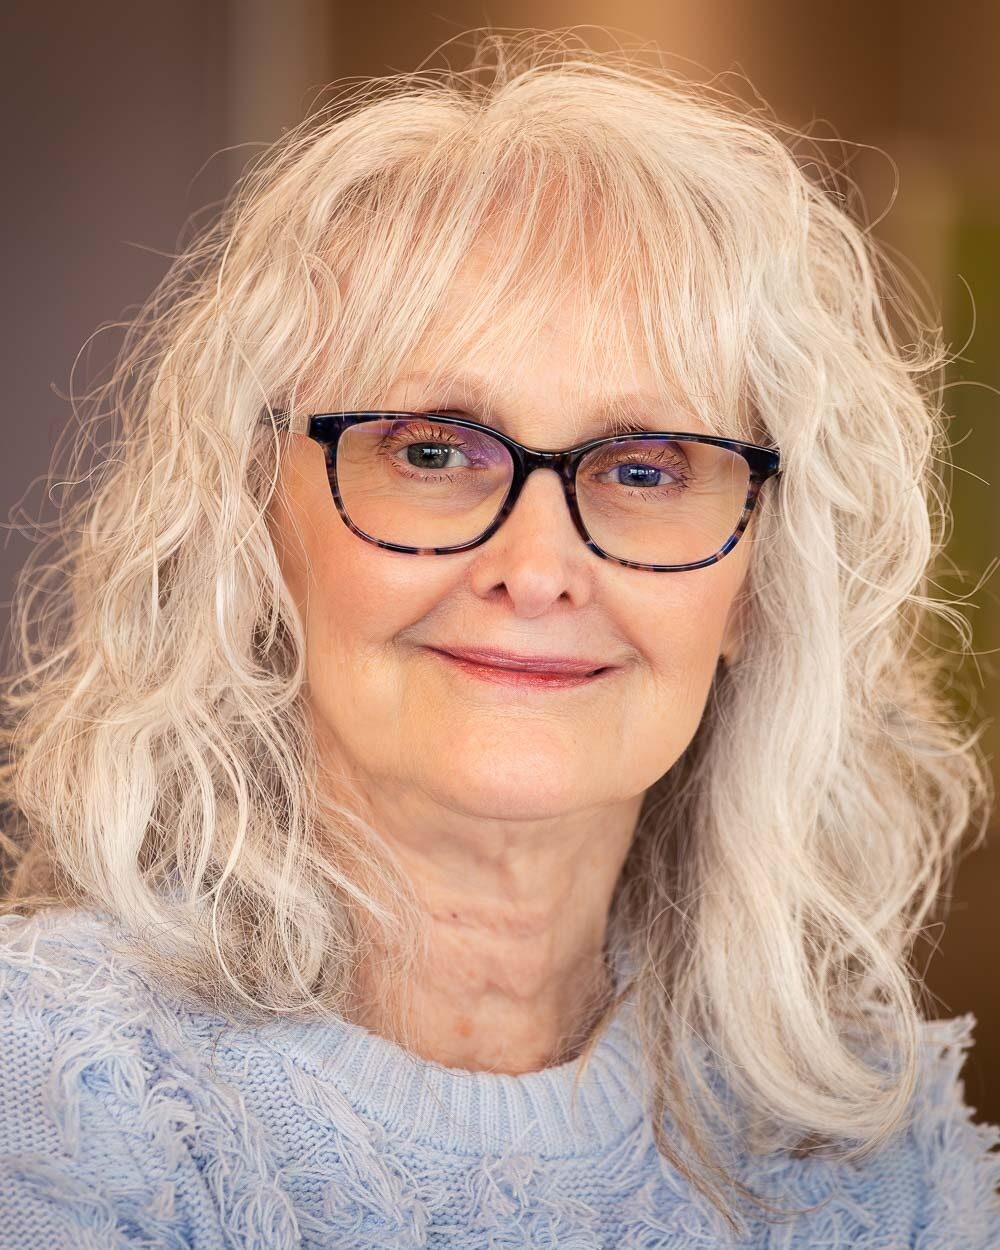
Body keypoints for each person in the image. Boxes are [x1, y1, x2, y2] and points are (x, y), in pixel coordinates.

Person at [0, 28, 997, 1250]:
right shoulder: (51, 1100)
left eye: (645, 465)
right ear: (256, 527)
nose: (534, 570)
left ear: (755, 586)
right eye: (431, 451)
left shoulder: (866, 1143)